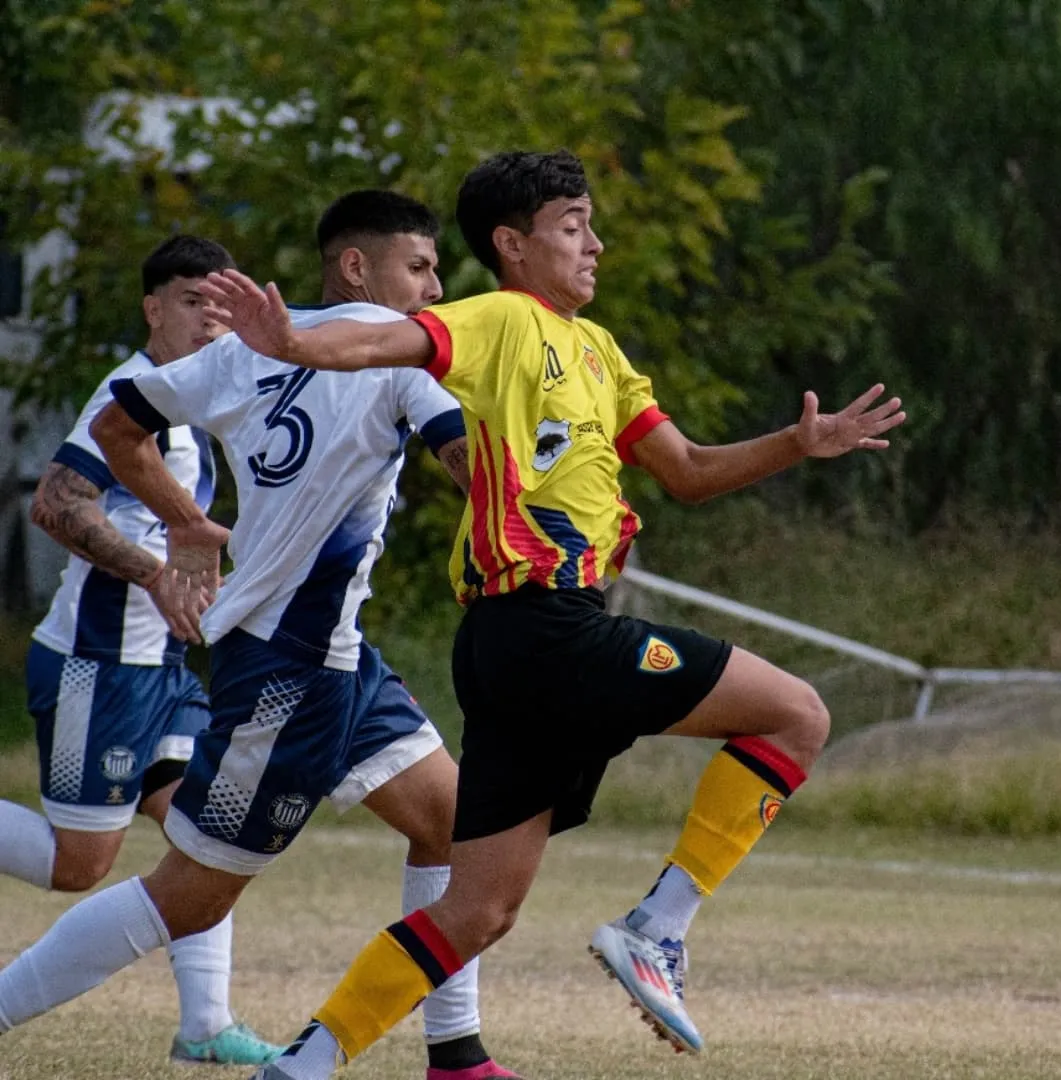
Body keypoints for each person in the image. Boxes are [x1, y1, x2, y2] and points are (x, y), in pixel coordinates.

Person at [195, 148, 907, 1077]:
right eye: (573, 225)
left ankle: (303, 1064)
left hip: (508, 646)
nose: (595, 243)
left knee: (478, 909)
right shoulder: (500, 319)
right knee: (796, 715)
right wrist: (292, 340)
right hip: (547, 626)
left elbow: (687, 473)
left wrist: (796, 443)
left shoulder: (601, 352)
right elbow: (383, 341)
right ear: (513, 244)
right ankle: (656, 930)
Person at [0, 192, 520, 1080]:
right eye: (421, 267)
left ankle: (455, 1054)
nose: (434, 290)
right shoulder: (397, 357)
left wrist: (191, 524)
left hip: (335, 656)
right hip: (287, 670)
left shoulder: (246, 350)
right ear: (358, 269)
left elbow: (120, 429)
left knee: (455, 827)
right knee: (184, 897)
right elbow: (477, 472)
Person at [0, 234, 281, 1065]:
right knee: (78, 865)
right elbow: (54, 506)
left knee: (210, 834)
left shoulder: (186, 400)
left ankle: (204, 1027)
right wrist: (158, 575)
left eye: (222, 303)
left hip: (162, 668)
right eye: (193, 301)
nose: (210, 319)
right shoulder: (124, 397)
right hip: (99, 664)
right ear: (153, 308)